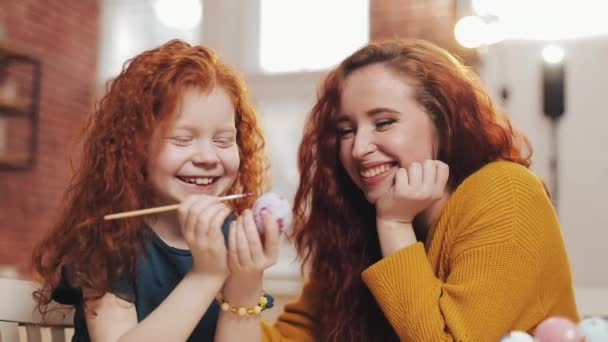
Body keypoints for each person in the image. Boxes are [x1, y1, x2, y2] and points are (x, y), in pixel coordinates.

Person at [238, 39, 578, 341]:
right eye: (346, 130)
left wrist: (394, 225)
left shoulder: (505, 191)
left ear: (444, 123)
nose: (359, 148)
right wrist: (230, 279)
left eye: (384, 122)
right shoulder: (355, 228)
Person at [31, 39, 280, 342]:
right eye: (182, 139)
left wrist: (245, 289)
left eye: (224, 140)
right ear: (134, 148)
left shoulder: (235, 238)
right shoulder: (107, 240)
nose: (207, 157)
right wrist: (206, 276)